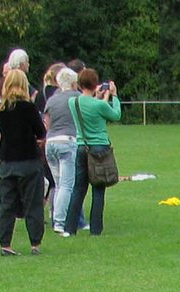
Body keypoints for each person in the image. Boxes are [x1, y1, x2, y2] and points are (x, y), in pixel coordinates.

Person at [0, 70, 46, 254]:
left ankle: (5, 243)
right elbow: (40, 132)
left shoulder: (0, 109)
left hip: (8, 160)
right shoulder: (29, 108)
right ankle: (35, 243)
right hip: (29, 160)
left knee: (7, 204)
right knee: (33, 203)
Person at [67, 67, 121, 237]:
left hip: (82, 146)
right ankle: (95, 229)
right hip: (99, 147)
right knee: (98, 188)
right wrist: (114, 96)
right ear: (95, 83)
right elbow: (115, 115)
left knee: (79, 188)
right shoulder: (100, 105)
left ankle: (70, 227)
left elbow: (88, 106)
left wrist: (98, 97)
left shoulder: (73, 102)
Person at [42, 67, 80, 236]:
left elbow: (47, 122)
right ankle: (59, 222)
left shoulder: (52, 99)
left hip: (50, 142)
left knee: (57, 184)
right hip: (67, 141)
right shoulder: (76, 97)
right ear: (73, 83)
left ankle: (55, 217)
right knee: (66, 185)